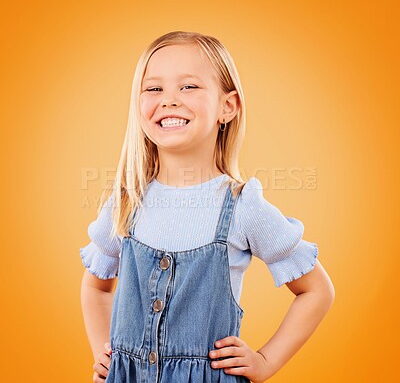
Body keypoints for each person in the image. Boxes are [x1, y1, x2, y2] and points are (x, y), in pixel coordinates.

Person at [80, 30, 335, 383]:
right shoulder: (126, 200)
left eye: (188, 87)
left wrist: (264, 360)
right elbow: (95, 286)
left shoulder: (242, 205)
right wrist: (103, 353)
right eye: (154, 88)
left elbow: (316, 290)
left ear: (227, 107)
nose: (169, 100)